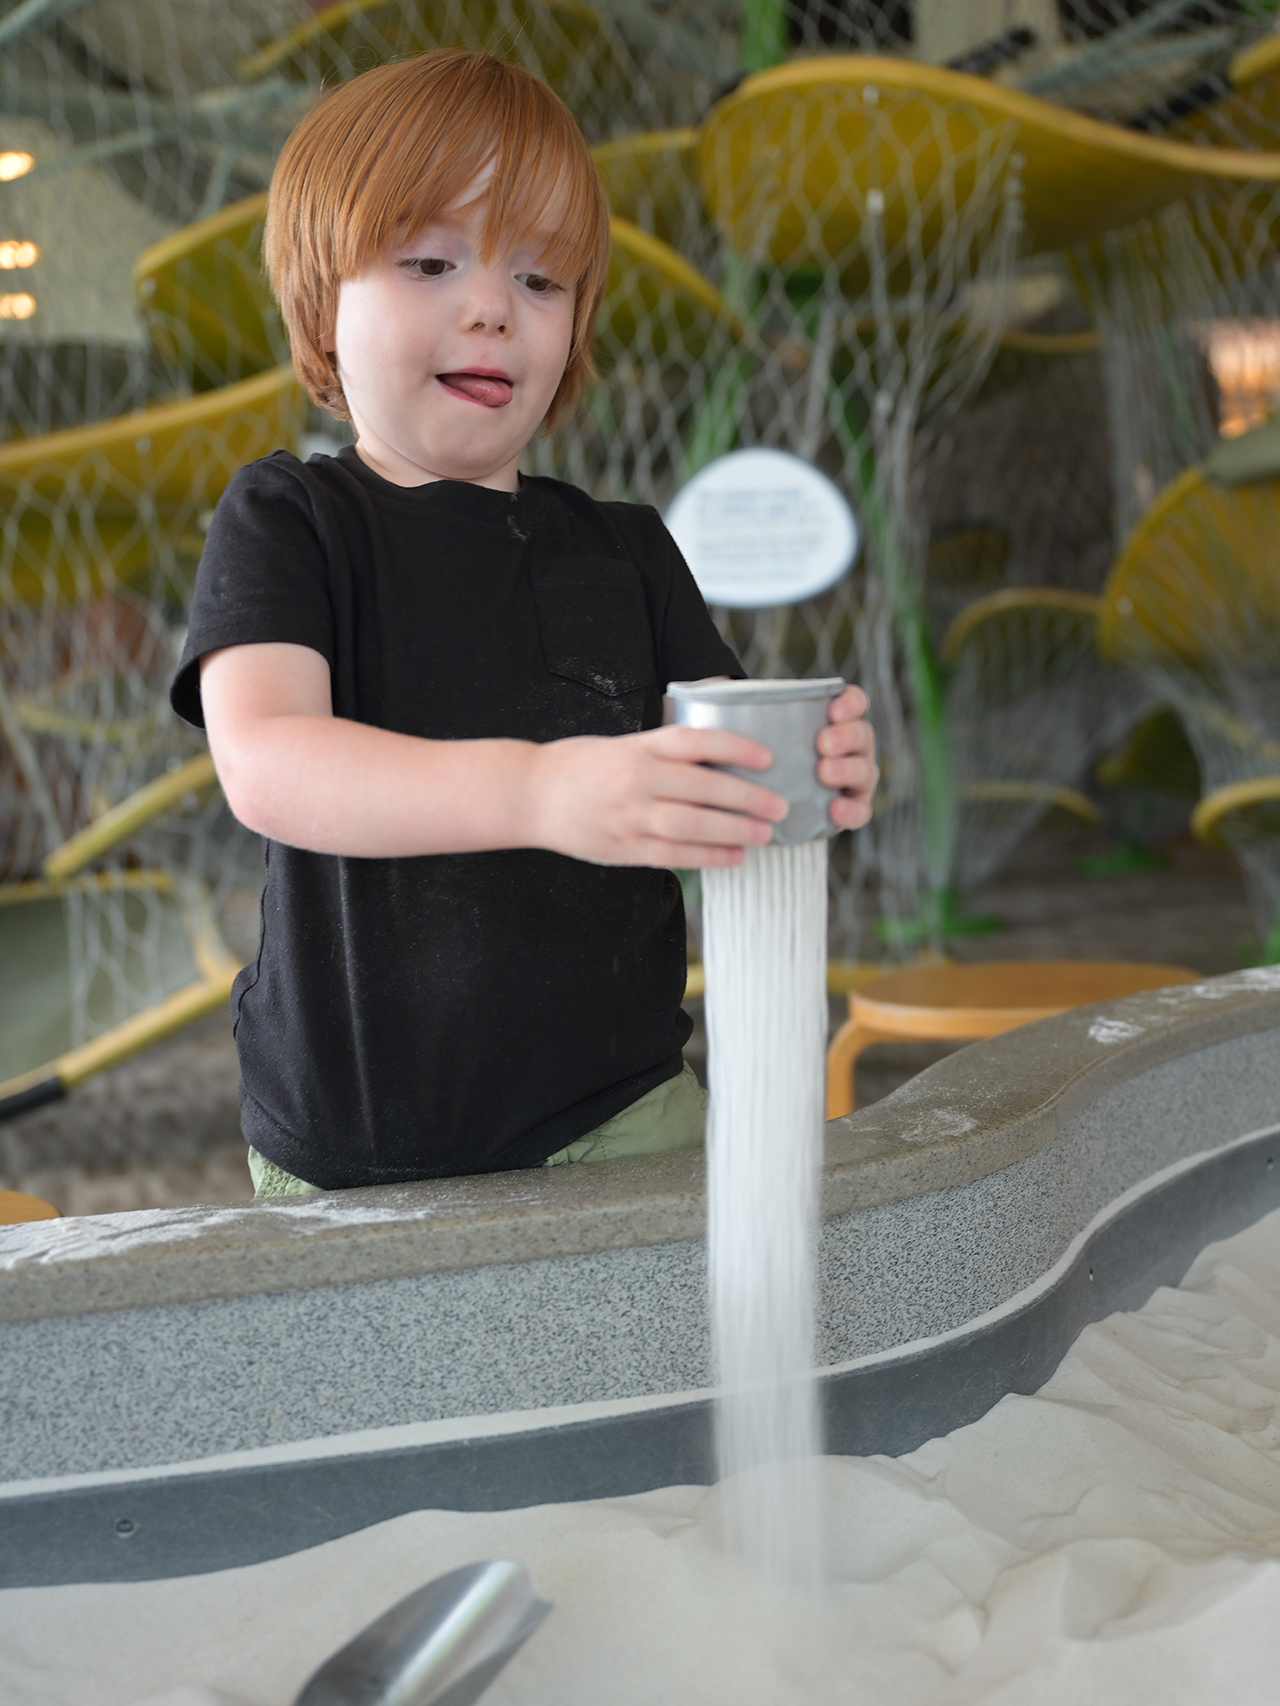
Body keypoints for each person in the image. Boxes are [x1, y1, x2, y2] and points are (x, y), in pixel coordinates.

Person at [171, 48, 878, 1198]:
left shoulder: (623, 550)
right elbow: (271, 763)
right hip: (357, 1137)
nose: (493, 306)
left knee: (661, 1369)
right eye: (431, 261)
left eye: (541, 282)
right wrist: (546, 793)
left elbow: (727, 772)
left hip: (621, 1108)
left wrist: (817, 766)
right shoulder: (292, 519)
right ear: (320, 304)